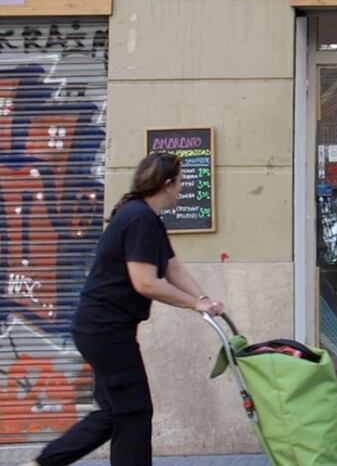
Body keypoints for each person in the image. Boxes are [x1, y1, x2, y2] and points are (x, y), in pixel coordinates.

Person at [24, 153, 225, 466]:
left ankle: (42, 463)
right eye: (180, 182)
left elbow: (172, 267)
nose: (181, 188)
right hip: (106, 331)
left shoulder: (144, 218)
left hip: (99, 330)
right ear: (168, 184)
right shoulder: (140, 219)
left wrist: (205, 300)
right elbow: (145, 282)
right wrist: (193, 304)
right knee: (134, 412)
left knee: (114, 413)